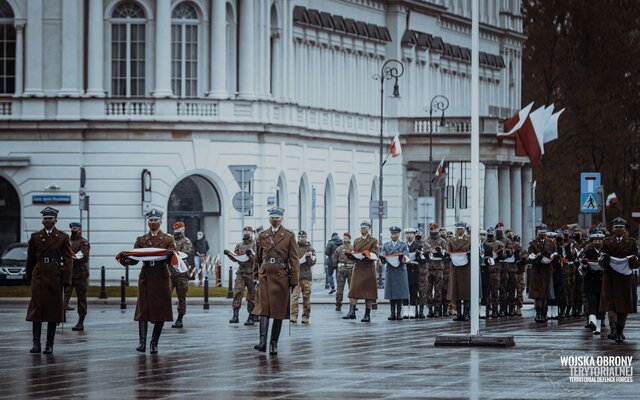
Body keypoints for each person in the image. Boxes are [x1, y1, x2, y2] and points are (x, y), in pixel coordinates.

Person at [118, 208, 175, 354]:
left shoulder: (168, 239)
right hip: (146, 276)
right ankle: (142, 342)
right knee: (143, 310)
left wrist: (169, 255)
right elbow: (135, 260)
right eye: (151, 221)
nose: (153, 223)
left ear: (161, 222)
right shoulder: (141, 240)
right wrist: (126, 259)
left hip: (161, 276)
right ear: (148, 222)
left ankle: (154, 343)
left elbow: (173, 259)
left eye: (156, 220)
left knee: (160, 311)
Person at [252, 207, 300, 355]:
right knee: (264, 309)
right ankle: (262, 342)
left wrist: (294, 281)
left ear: (281, 219)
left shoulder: (289, 236)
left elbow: (294, 259)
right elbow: (258, 258)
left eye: (277, 218)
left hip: (281, 276)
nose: (274, 220)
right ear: (269, 219)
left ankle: (273, 343)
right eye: (272, 218)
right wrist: (255, 275)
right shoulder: (263, 235)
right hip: (265, 274)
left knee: (278, 311)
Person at [26, 207, 72, 354]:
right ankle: (36, 343)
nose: (48, 221)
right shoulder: (35, 237)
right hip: (38, 276)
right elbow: (30, 259)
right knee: (36, 311)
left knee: (53, 311)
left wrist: (66, 281)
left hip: (54, 276)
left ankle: (49, 345)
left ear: (55, 220)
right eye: (45, 218)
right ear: (42, 220)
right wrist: (29, 277)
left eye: (50, 218)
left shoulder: (63, 237)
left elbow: (68, 260)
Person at [599, 217, 639, 343]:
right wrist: (604, 260)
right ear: (612, 229)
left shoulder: (631, 243)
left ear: (625, 229)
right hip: (610, 277)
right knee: (610, 304)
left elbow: (637, 262)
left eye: (621, 227)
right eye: (616, 227)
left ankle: (620, 332)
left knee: (624, 306)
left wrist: (633, 261)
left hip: (624, 278)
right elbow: (601, 259)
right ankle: (613, 330)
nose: (618, 229)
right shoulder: (606, 242)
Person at [343, 222, 378, 322]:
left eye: (365, 228)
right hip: (358, 267)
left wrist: (368, 254)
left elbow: (375, 254)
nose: (363, 230)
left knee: (369, 293)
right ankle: (352, 312)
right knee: (354, 290)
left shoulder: (373, 241)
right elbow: (354, 253)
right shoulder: (357, 241)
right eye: (361, 228)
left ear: (369, 229)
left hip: (368, 268)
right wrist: (350, 255)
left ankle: (367, 314)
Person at [63, 222, 90, 331]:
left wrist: (70, 256)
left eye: (76, 228)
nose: (74, 230)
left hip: (80, 275)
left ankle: (81, 321)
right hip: (68, 274)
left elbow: (83, 257)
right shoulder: (67, 241)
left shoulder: (84, 242)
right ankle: (59, 318)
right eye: (72, 228)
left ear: (80, 229)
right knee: (64, 297)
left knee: (81, 299)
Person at [227, 226, 257, 325]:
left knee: (252, 295)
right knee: (237, 292)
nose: (246, 233)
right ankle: (235, 315)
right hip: (241, 272)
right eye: (245, 231)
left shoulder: (255, 245)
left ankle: (251, 316)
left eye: (248, 231)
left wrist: (250, 255)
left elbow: (258, 260)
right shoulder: (239, 245)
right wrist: (229, 255)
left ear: (252, 233)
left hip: (252, 273)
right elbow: (236, 258)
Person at [527, 224, 557, 323]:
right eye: (541, 232)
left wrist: (553, 256)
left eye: (544, 232)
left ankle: (544, 312)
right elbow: (530, 255)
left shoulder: (551, 243)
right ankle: (538, 313)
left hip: (547, 270)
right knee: (537, 293)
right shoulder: (533, 243)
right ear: (537, 233)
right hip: (537, 270)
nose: (542, 234)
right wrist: (536, 258)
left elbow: (554, 253)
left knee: (545, 292)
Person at [381, 226, 410, 321]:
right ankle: (392, 313)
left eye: (396, 234)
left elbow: (406, 256)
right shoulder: (386, 245)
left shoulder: (403, 245)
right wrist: (383, 258)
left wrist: (402, 257)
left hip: (400, 270)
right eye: (392, 234)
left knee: (399, 293)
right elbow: (383, 256)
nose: (394, 235)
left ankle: (399, 313)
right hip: (390, 270)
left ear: (398, 234)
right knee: (391, 292)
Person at [580, 229, 606, 335]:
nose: (597, 242)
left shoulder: (606, 251)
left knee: (601, 304)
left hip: (603, 281)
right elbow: (582, 266)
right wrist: (585, 264)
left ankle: (598, 327)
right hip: (590, 280)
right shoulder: (587, 251)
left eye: (599, 240)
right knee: (591, 302)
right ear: (592, 241)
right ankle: (592, 320)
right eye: (595, 240)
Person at [171, 221, 194, 328]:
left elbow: (187, 254)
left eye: (178, 229)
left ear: (183, 229)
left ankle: (180, 318)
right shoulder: (170, 240)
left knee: (181, 296)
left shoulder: (186, 242)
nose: (176, 231)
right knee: (164, 294)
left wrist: (174, 253)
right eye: (175, 229)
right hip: (170, 272)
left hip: (181, 273)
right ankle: (160, 315)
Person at [447, 222, 471, 321]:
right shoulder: (451, 240)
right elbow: (448, 252)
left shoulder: (469, 240)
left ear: (464, 230)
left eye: (461, 229)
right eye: (457, 229)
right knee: (455, 291)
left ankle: (466, 313)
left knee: (466, 291)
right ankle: (458, 313)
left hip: (466, 268)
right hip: (455, 267)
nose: (459, 231)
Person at [291, 231, 316, 323]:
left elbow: (312, 263)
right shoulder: (294, 247)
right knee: (295, 297)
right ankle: (293, 315)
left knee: (306, 297)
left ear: (306, 237)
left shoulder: (310, 248)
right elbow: (292, 261)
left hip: (306, 276)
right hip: (295, 276)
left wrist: (309, 257)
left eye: (303, 237)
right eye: (300, 237)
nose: (301, 238)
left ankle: (305, 316)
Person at [425, 223, 447, 318]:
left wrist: (440, 251)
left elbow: (446, 253)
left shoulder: (442, 241)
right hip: (428, 267)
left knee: (438, 290)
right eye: (432, 230)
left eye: (435, 230)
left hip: (439, 267)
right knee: (428, 289)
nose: (433, 231)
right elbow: (424, 251)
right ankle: (430, 309)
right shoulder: (426, 241)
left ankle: (437, 309)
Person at [484, 227, 505, 318]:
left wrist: (500, 254)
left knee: (495, 291)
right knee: (486, 291)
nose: (490, 234)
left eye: (492, 232)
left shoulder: (499, 243)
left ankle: (495, 310)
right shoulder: (484, 243)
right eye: (489, 232)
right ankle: (487, 310)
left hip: (496, 269)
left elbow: (504, 256)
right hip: (486, 270)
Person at [404, 228, 424, 318]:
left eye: (411, 234)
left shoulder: (418, 245)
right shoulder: (403, 245)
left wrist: (418, 254)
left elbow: (422, 259)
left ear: (414, 235)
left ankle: (412, 310)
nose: (409, 236)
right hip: (404, 269)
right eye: (407, 234)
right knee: (404, 290)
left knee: (413, 290)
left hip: (414, 269)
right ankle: (405, 310)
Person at [332, 232, 354, 312]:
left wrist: (337, 264)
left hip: (342, 269)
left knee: (340, 288)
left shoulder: (339, 248)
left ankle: (338, 305)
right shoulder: (353, 248)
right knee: (351, 288)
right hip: (350, 268)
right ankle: (352, 305)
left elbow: (334, 259)